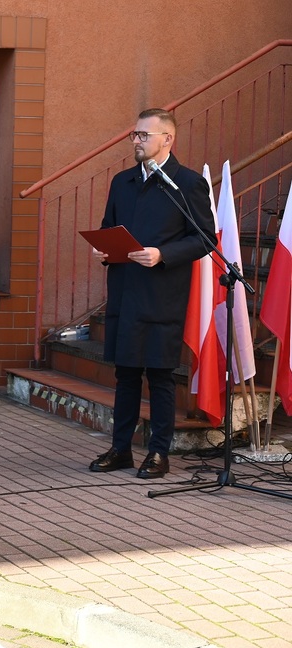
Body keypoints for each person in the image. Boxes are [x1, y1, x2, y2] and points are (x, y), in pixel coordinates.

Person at [88, 108, 215, 479]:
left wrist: (163, 254)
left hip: (163, 294)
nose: (136, 141)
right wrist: (103, 250)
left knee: (159, 376)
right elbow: (108, 226)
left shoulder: (186, 183)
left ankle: (159, 452)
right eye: (135, 135)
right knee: (126, 375)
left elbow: (205, 238)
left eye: (144, 135)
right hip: (126, 291)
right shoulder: (122, 181)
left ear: (168, 139)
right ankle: (121, 448)